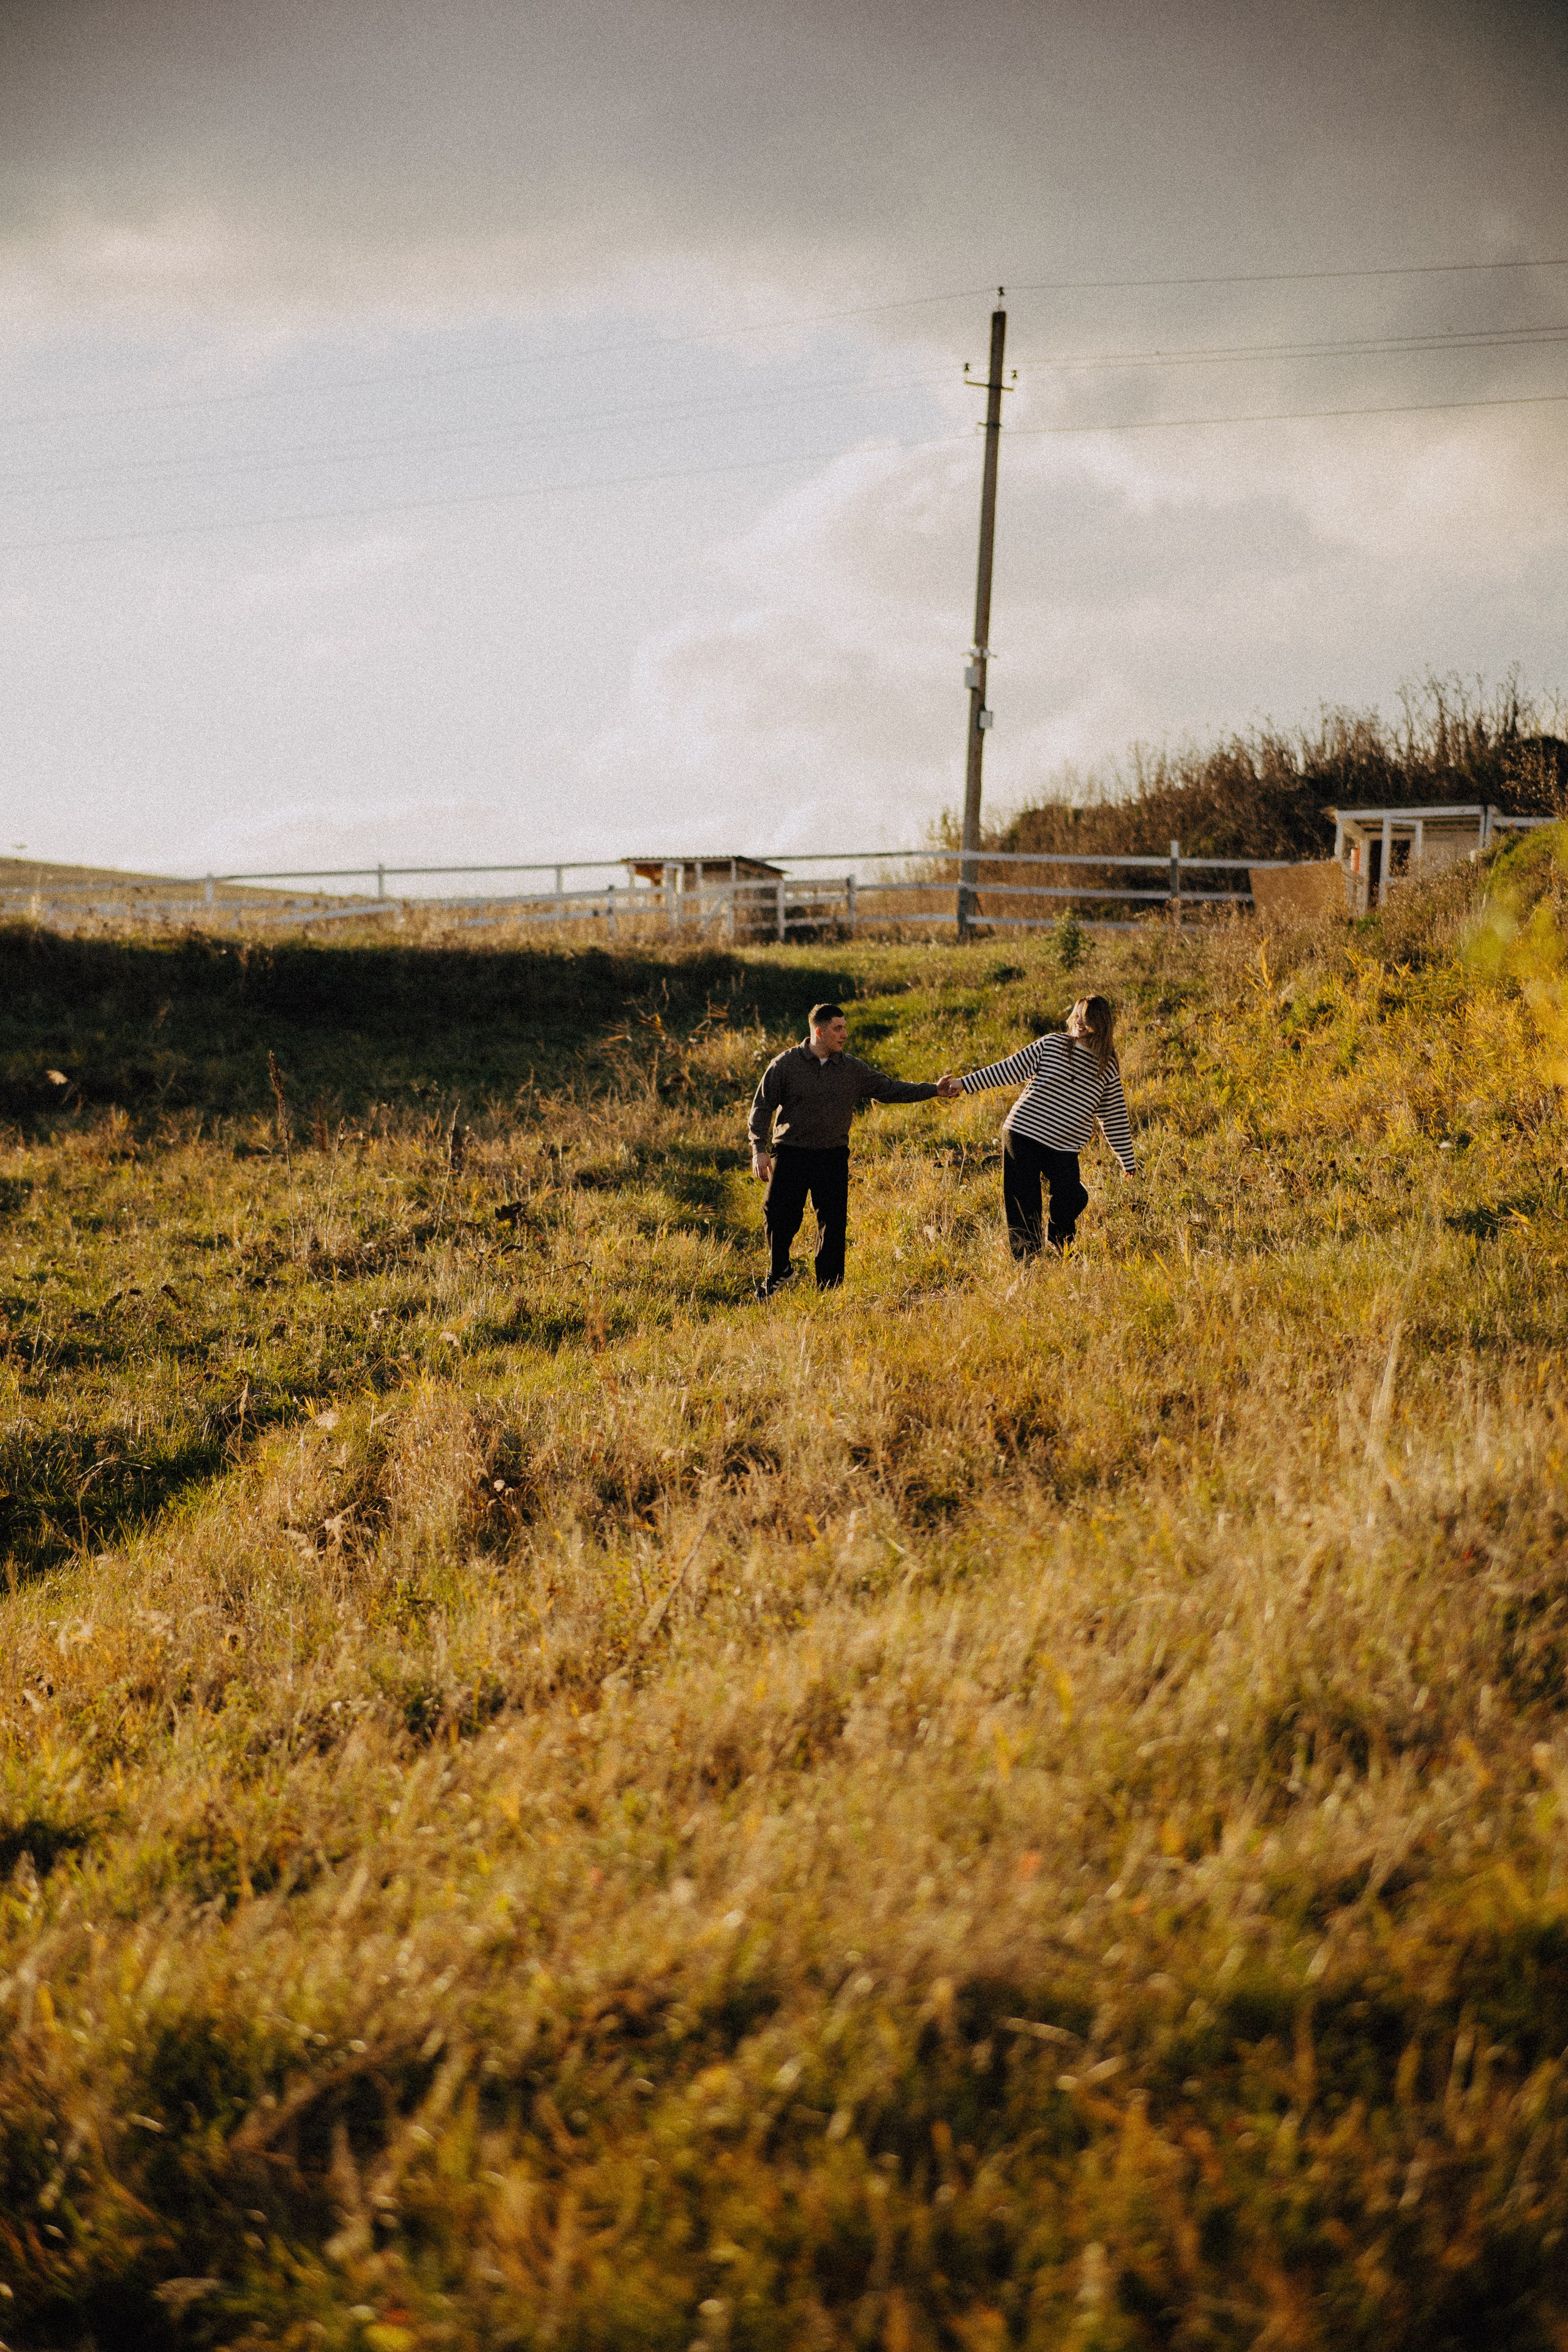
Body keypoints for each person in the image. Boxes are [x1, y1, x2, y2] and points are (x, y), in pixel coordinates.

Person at [748, 1002, 961, 1294]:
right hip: (791, 1151)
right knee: (777, 1215)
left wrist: (932, 1090)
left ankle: (830, 1290)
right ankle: (780, 1271)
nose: (845, 1034)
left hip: (832, 1155)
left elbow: (890, 1089)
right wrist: (758, 1149)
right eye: (838, 1028)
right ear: (819, 1032)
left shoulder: (852, 1069)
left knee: (833, 1225)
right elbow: (762, 1107)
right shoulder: (785, 1065)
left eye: (845, 1027)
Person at [943, 995, 1135, 1258]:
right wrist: (965, 1083)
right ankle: (1028, 1263)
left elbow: (1114, 1116)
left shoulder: (1107, 1066)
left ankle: (1059, 1238)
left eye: (1086, 1017)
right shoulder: (1053, 1044)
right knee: (1025, 1204)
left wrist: (1127, 1161)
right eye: (1077, 1015)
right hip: (1023, 1133)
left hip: (1065, 1146)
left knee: (1073, 1196)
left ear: (1101, 1023)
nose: (1079, 1021)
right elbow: (1009, 1068)